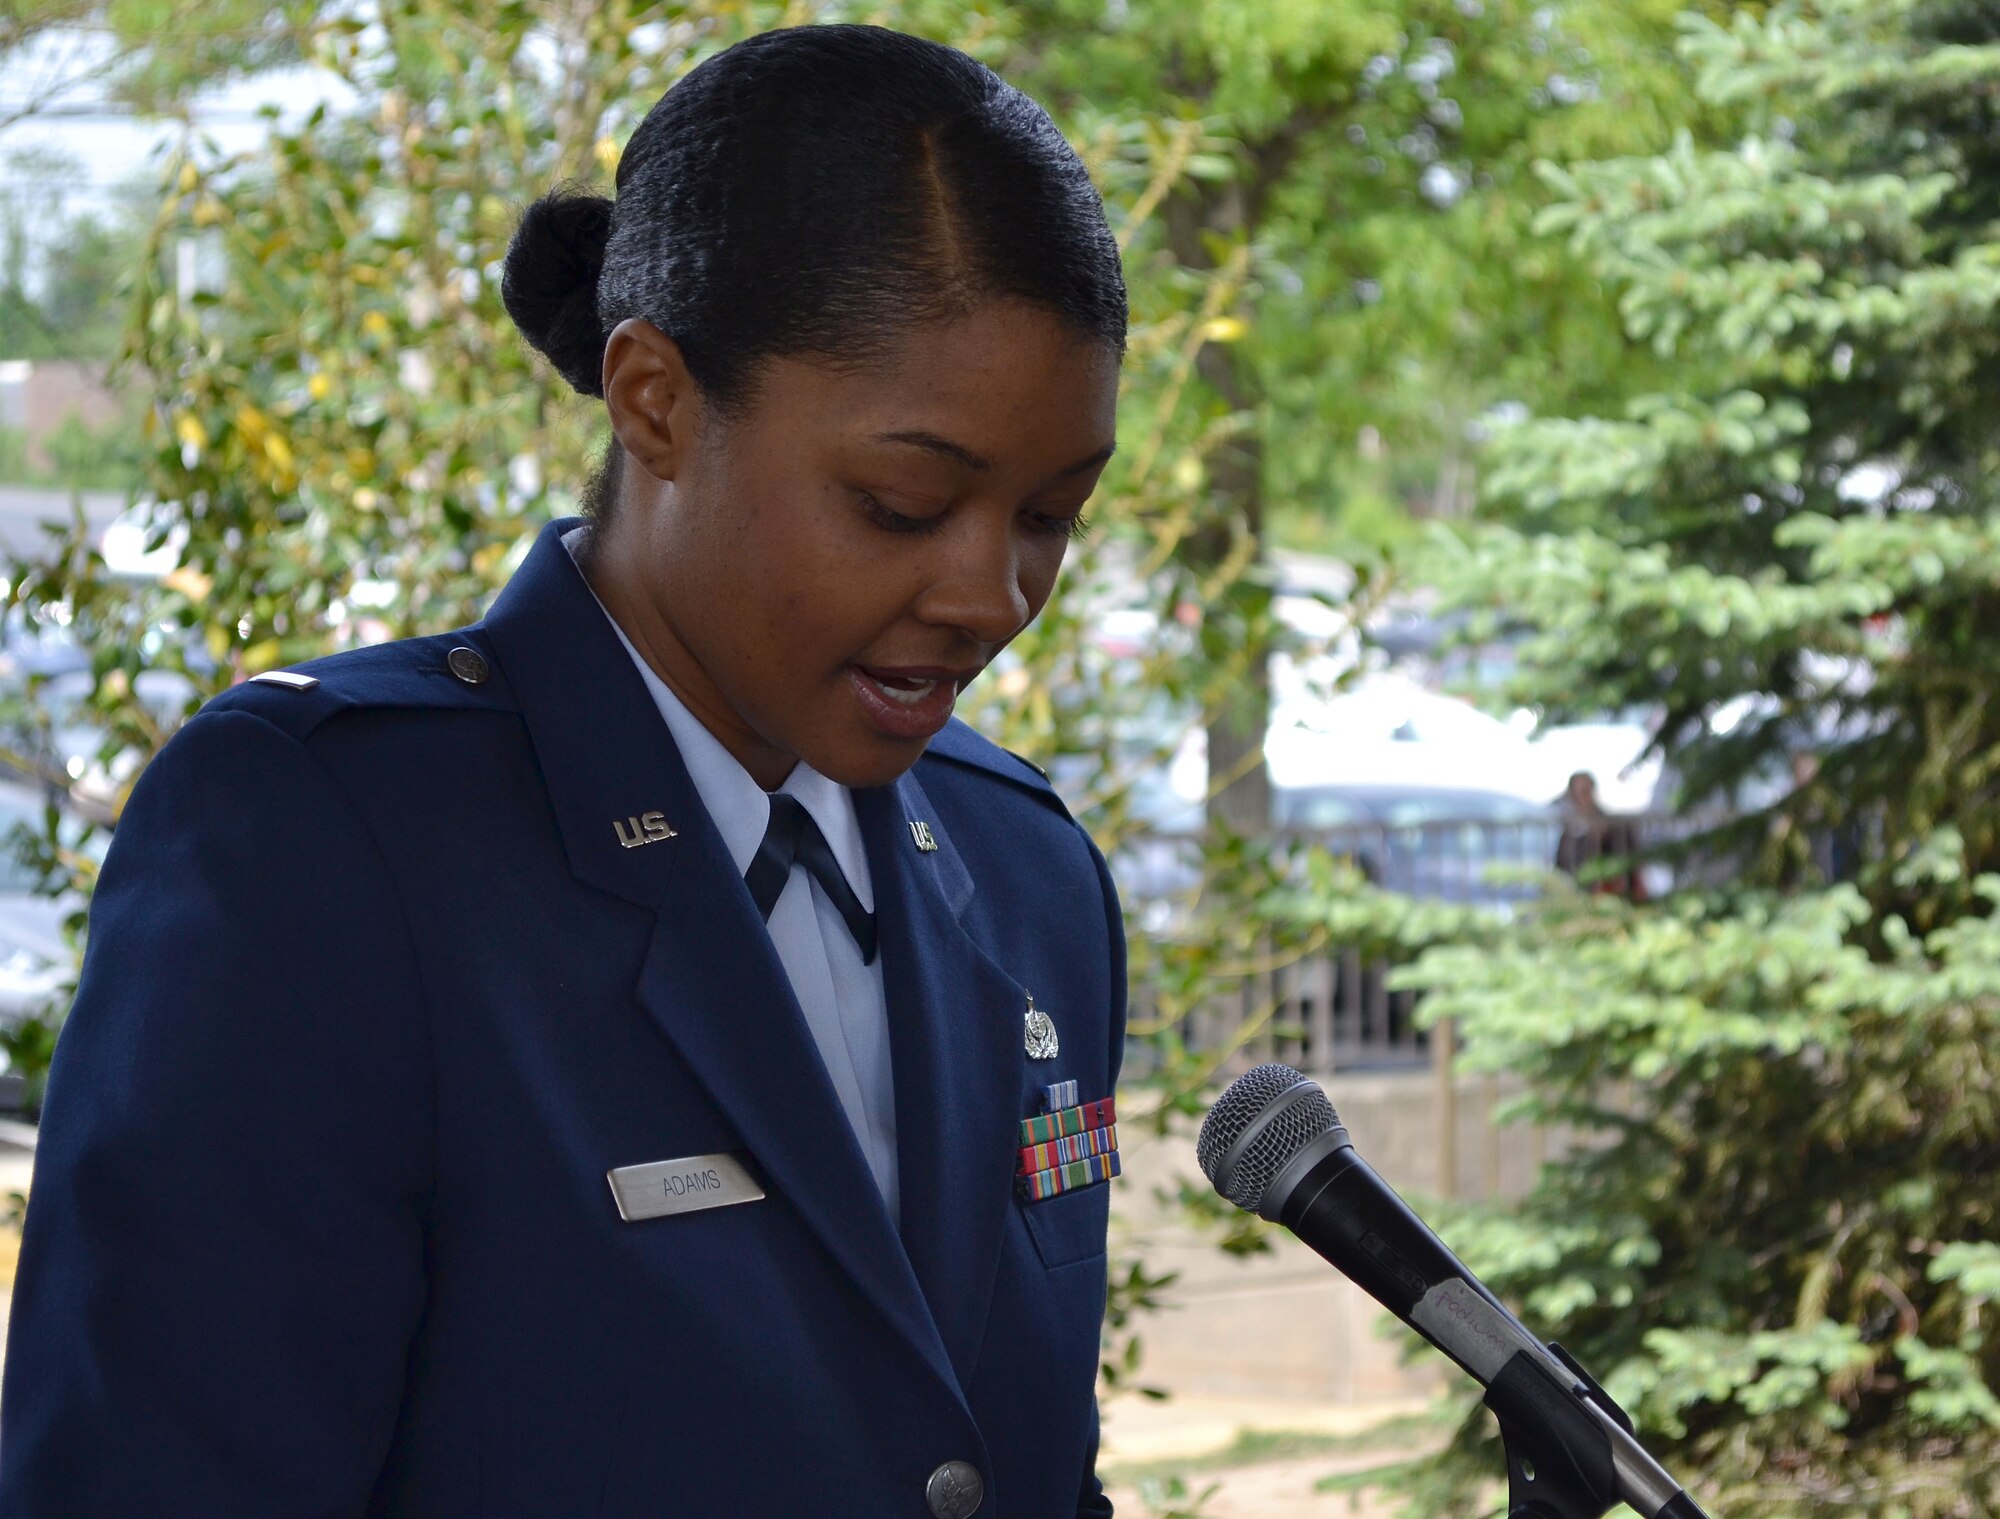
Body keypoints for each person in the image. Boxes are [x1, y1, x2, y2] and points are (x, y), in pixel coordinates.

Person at [0, 26, 1128, 1519]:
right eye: (902, 502)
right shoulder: (330, 844)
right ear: (654, 399)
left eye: (1051, 512)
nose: (993, 592)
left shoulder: (1027, 873)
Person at [1554, 769, 1646, 900]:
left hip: (1611, 894)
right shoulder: (1568, 833)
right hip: (1579, 895)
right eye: (1578, 793)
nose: (1583, 798)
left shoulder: (1615, 827)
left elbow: (1631, 863)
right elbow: (1561, 867)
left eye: (1586, 791)